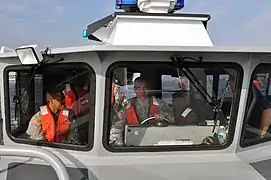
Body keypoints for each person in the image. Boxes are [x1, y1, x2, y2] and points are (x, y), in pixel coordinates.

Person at [109, 76, 175, 146]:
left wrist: (164, 116)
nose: (142, 91)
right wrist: (117, 142)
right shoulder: (127, 107)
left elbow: (173, 121)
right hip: (134, 144)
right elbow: (117, 127)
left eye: (145, 88)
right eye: (139, 88)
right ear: (134, 89)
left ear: (149, 89)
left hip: (156, 142)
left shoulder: (160, 104)